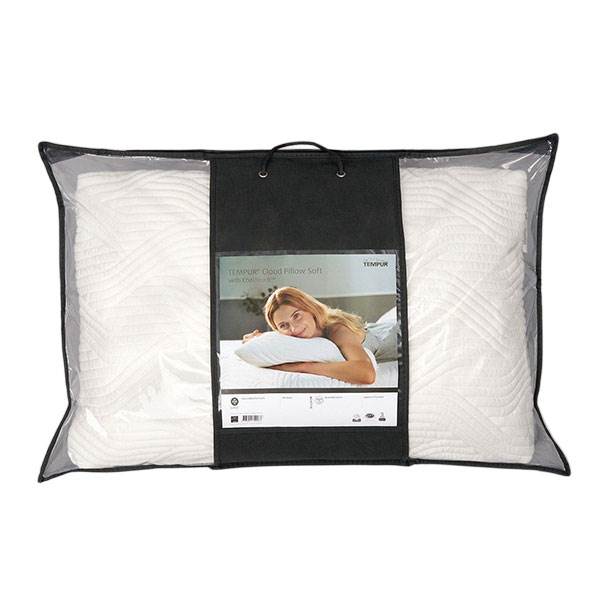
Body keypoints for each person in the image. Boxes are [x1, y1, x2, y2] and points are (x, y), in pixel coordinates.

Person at [242, 286, 386, 385]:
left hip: (387, 336)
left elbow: (367, 374)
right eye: (284, 325)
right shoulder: (301, 331)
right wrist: (260, 339)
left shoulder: (337, 330)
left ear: (310, 309)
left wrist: (304, 367)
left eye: (296, 316)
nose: (294, 328)